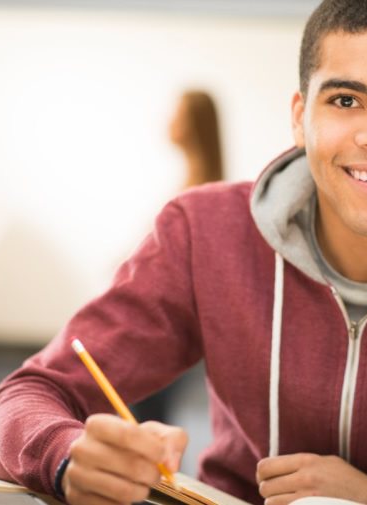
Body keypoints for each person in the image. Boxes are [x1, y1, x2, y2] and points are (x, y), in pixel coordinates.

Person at [0, 1, 367, 504]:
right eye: (347, 100)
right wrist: (68, 454)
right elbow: (20, 400)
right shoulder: (203, 233)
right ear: (301, 117)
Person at [132, 90, 224, 424]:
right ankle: (157, 479)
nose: (169, 122)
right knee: (150, 418)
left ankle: (158, 480)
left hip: (170, 327)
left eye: (178, 113)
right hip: (160, 324)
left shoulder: (201, 192)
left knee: (151, 420)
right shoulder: (189, 181)